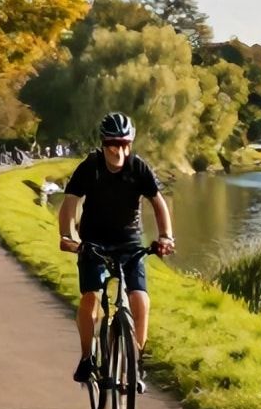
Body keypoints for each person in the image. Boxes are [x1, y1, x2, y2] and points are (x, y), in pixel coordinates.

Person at [57, 112, 174, 391]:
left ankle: (136, 363)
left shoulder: (138, 168)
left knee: (140, 300)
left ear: (130, 144)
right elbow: (70, 203)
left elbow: (158, 203)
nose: (118, 150)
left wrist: (166, 237)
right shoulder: (90, 167)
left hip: (129, 242)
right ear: (103, 144)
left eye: (124, 144)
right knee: (90, 298)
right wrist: (67, 236)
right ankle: (87, 357)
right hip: (94, 242)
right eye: (112, 143)